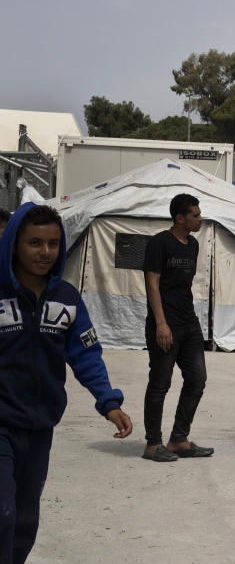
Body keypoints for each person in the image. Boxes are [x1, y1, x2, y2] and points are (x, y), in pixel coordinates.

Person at [0, 203, 133, 564]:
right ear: (14, 244)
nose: (45, 252)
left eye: (53, 243)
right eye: (34, 243)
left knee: (25, 519)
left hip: (41, 427)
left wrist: (109, 401)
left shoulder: (68, 299)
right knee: (3, 514)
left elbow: (86, 355)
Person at [142, 194, 214, 462]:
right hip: (165, 323)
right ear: (180, 218)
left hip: (189, 323)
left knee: (197, 379)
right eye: (195, 215)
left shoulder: (192, 244)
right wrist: (161, 323)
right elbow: (152, 283)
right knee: (160, 383)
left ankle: (179, 440)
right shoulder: (160, 243)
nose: (200, 218)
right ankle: (152, 444)